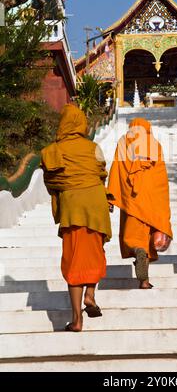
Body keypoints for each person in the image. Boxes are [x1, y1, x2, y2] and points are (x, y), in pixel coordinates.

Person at [41, 104, 112, 332]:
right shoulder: (93, 147)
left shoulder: (55, 149)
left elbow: (51, 180)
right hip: (95, 205)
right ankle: (90, 294)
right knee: (93, 253)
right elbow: (101, 173)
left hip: (73, 208)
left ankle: (77, 319)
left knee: (73, 260)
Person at [108, 118, 172, 289]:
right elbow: (161, 177)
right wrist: (162, 202)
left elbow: (116, 169)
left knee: (135, 237)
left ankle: (137, 250)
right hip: (151, 199)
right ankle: (144, 281)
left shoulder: (124, 142)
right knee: (148, 236)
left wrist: (111, 196)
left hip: (132, 199)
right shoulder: (154, 143)